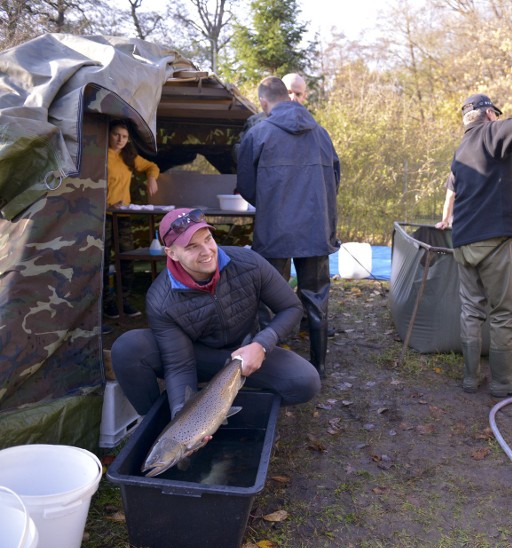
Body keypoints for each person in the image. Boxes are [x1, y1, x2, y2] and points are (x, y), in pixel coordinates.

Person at [110, 208, 321, 419]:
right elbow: (180, 365)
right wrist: (182, 415)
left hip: (245, 353)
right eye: (192, 246)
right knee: (128, 349)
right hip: (200, 357)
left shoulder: (249, 262)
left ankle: (228, 410)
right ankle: (160, 424)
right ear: (171, 253)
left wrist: (262, 344)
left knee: (305, 380)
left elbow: (291, 307)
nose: (206, 251)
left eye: (208, 239)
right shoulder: (160, 298)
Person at [435, 93, 512, 397]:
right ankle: (502, 380)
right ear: (488, 114)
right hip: (493, 243)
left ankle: (471, 378)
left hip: (463, 243)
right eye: (496, 114)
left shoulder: (462, 151)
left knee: (471, 310)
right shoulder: (491, 133)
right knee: (504, 311)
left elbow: (481, 185)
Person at [237, 76, 340, 379]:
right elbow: (334, 180)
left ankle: (270, 367)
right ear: (289, 96)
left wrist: (271, 203)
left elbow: (246, 187)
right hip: (316, 229)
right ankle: (318, 366)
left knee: (269, 300)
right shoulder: (321, 134)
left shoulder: (258, 134)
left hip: (274, 230)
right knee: (316, 297)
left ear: (264, 102)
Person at [104, 119, 160, 319]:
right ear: (108, 134)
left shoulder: (129, 156)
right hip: (102, 217)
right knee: (102, 261)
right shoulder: (99, 156)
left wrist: (151, 177)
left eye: (125, 136)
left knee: (127, 258)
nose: (120, 140)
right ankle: (106, 304)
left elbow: (151, 166)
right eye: (116, 134)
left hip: (123, 216)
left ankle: (123, 300)